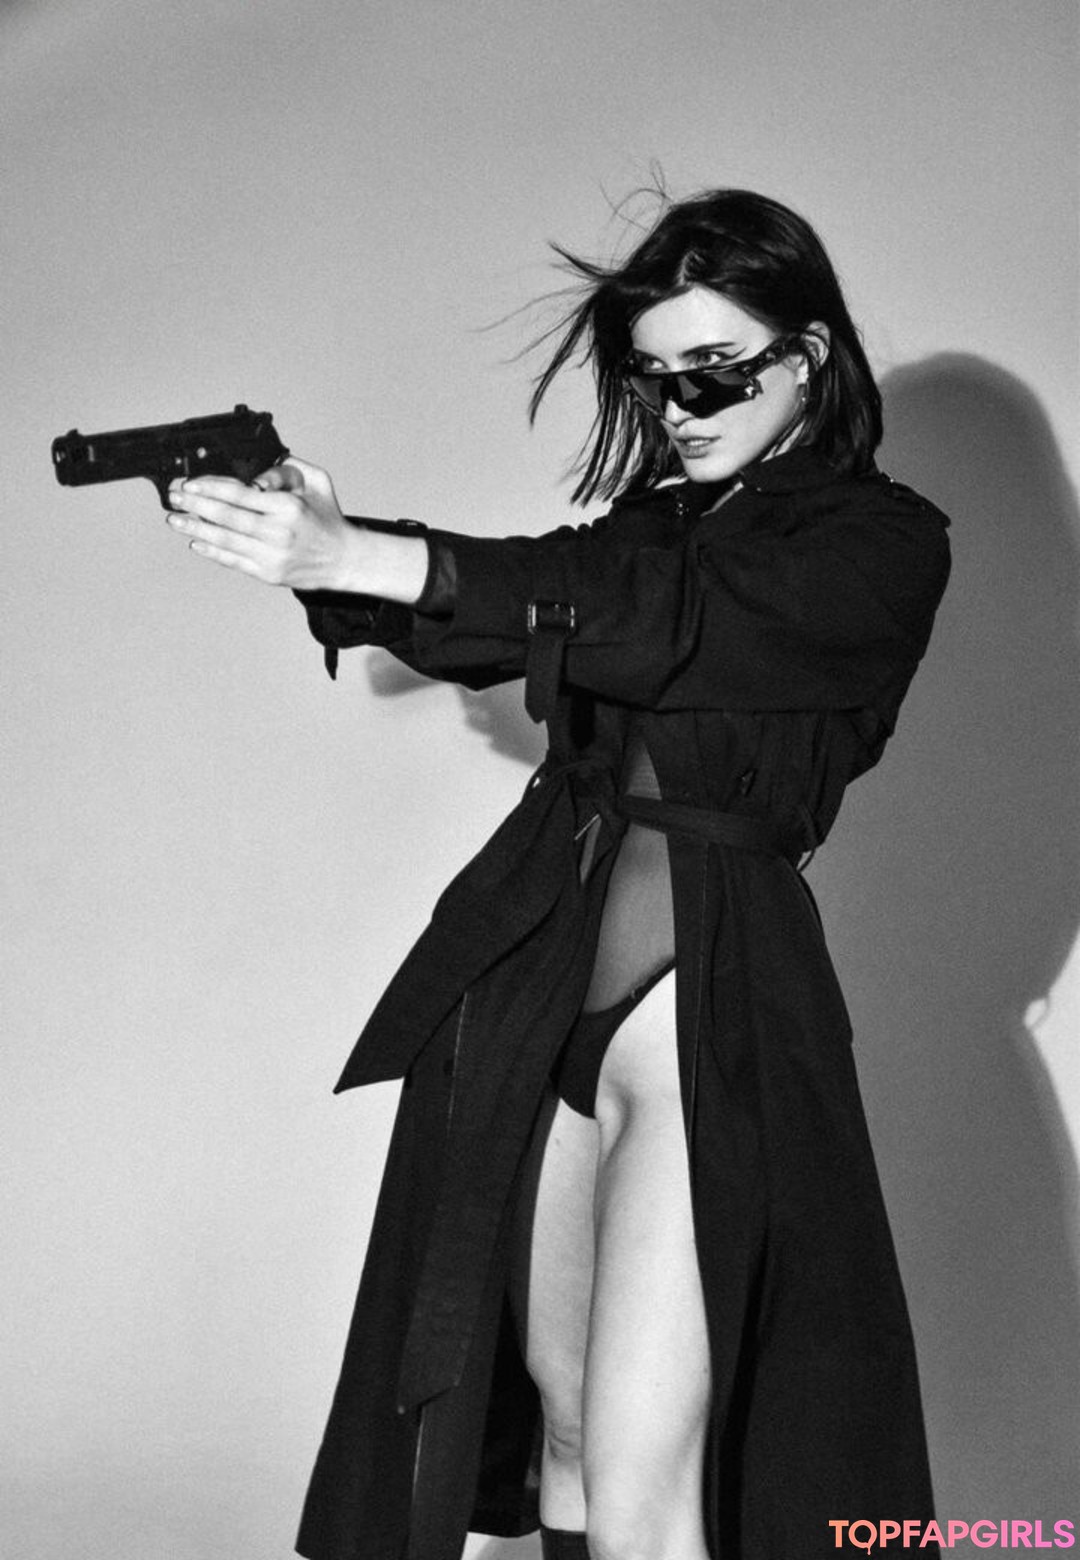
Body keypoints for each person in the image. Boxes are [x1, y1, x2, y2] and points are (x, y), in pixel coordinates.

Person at [165, 188, 950, 1560]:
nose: (682, 406)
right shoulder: (654, 527)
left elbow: (663, 627)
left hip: (706, 1002)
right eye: (656, 378)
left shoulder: (880, 547)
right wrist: (325, 546)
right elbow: (511, 608)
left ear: (812, 356)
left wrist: (371, 557)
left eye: (717, 371)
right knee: (569, 1438)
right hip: (540, 985)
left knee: (650, 1478)